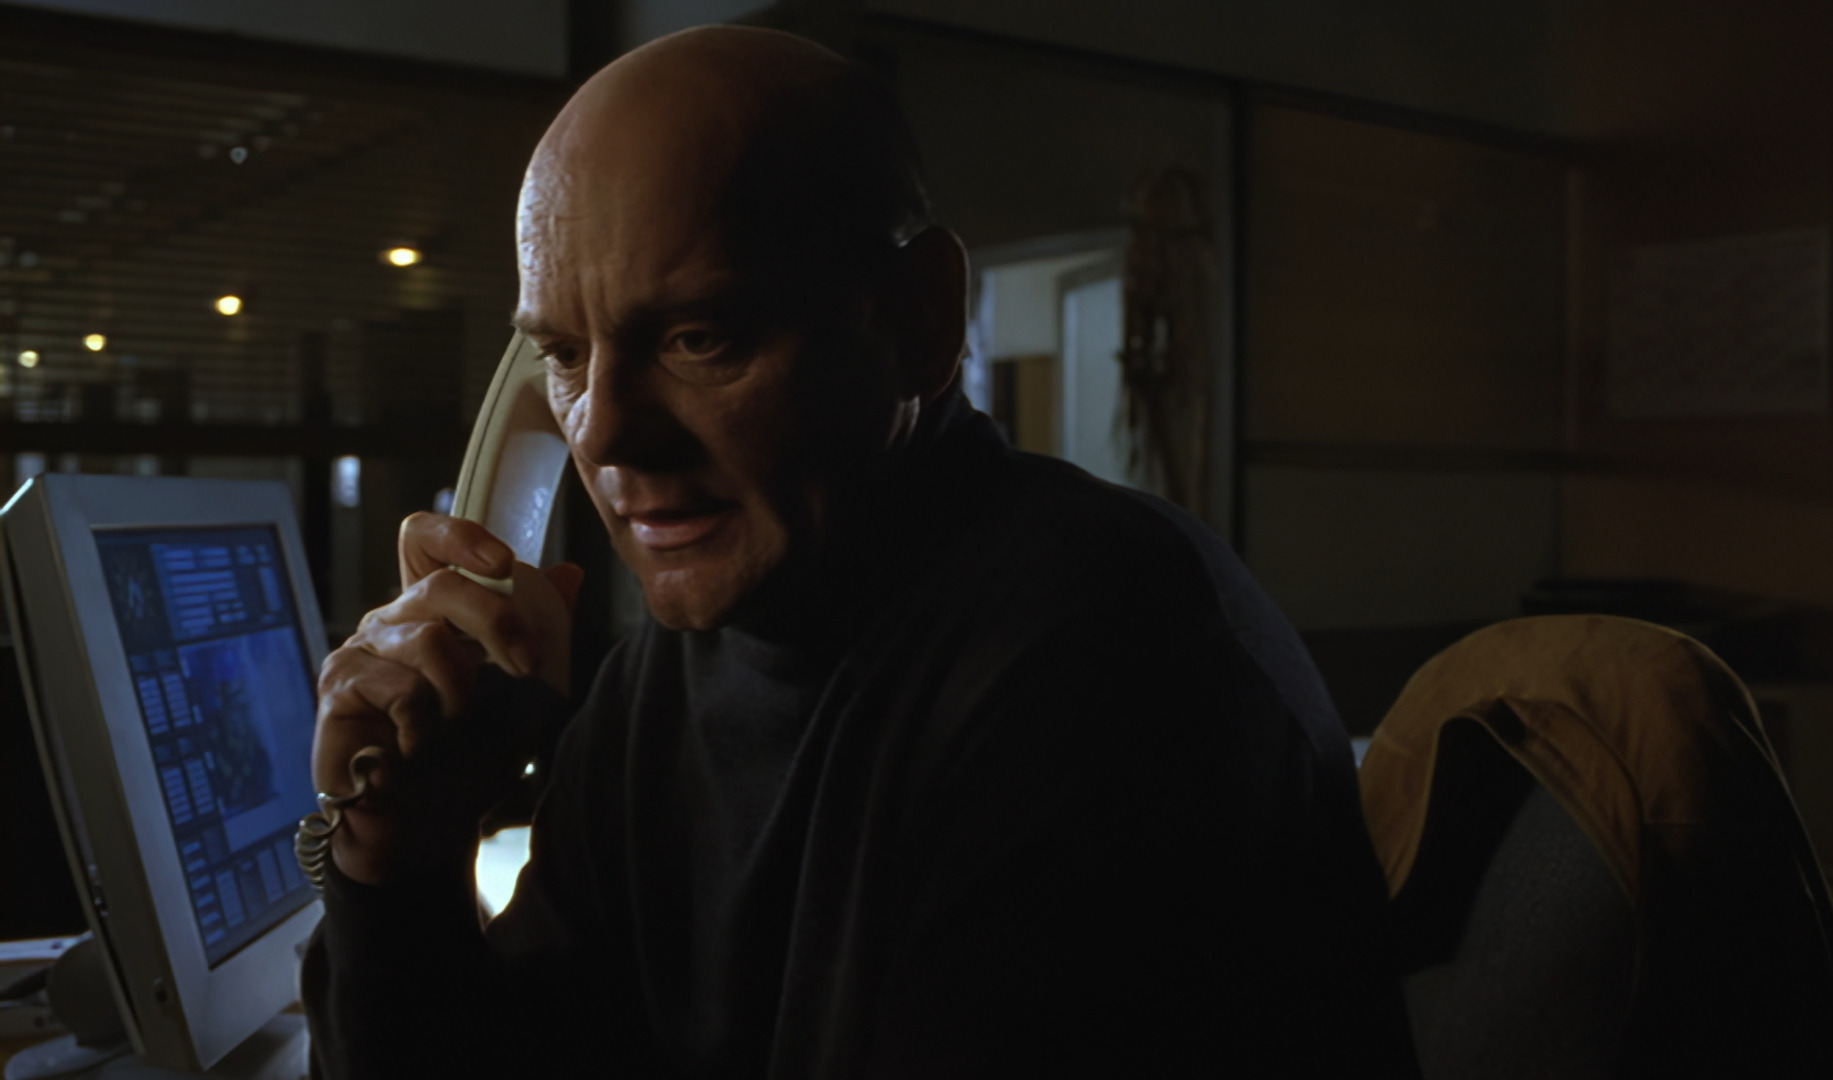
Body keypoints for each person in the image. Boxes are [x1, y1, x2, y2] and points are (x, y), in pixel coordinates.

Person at [302, 24, 1417, 1079]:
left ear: (922, 319)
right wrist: (395, 863)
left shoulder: (1109, 670)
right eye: (562, 354)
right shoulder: (667, 679)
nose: (599, 433)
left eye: (699, 338)